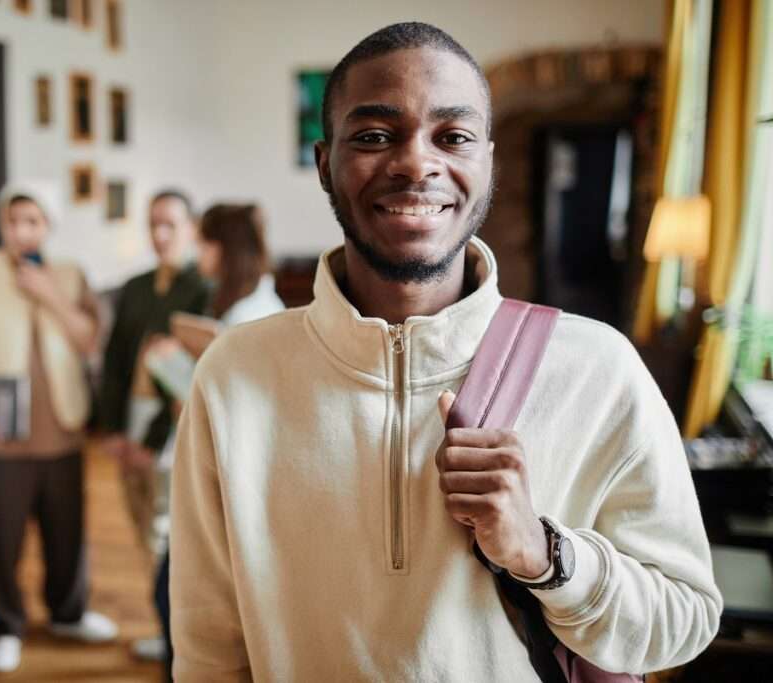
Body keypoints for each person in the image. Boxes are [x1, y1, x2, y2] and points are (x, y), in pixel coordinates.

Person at [169, 22, 722, 681]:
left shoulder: (598, 369)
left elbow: (683, 619)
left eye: (452, 137)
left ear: (487, 161)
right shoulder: (235, 376)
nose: (415, 163)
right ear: (326, 164)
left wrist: (543, 553)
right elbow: (209, 648)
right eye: (374, 136)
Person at [0, 181, 116, 674]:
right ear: (1, 225)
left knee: (67, 534)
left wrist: (50, 296)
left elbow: (87, 341)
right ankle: (5, 624)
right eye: (13, 222)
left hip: (63, 429)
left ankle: (68, 613)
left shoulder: (71, 274)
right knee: (1, 537)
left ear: (48, 226)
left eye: (32, 221)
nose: (22, 231)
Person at [141, 202, 285, 672]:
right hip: (226, 468)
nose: (197, 251)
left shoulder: (251, 315)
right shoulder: (239, 303)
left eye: (203, 241)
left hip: (236, 474)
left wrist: (169, 366)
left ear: (224, 248)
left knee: (177, 593)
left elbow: (228, 409)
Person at [97, 189, 210, 662]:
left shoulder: (204, 287)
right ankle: (162, 629)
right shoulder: (137, 285)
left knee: (168, 533)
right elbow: (115, 360)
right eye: (153, 224)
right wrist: (112, 431)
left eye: (170, 224)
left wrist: (149, 441)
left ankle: (176, 638)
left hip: (170, 432)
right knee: (142, 523)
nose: (160, 234)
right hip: (130, 421)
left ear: (191, 228)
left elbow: (190, 380)